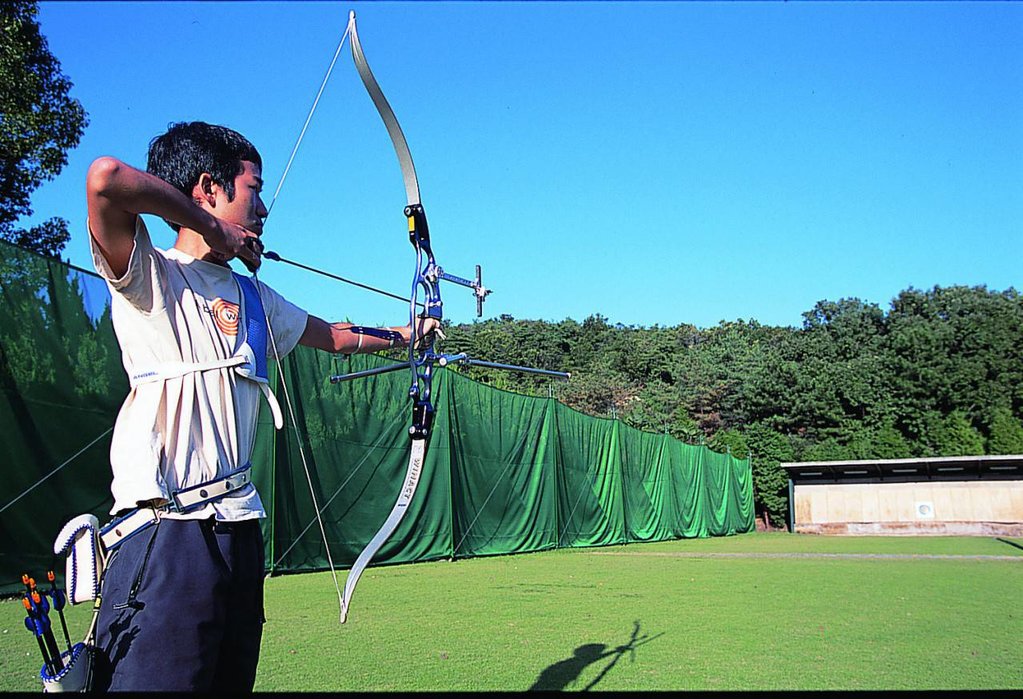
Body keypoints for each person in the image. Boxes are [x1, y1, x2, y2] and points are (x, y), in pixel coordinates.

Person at [84, 121, 436, 691]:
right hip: (167, 530)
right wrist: (212, 231)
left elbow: (339, 337)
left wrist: (409, 332)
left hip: (238, 529)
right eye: (253, 188)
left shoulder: (252, 296)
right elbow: (107, 180)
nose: (263, 205)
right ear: (208, 188)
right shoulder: (150, 275)